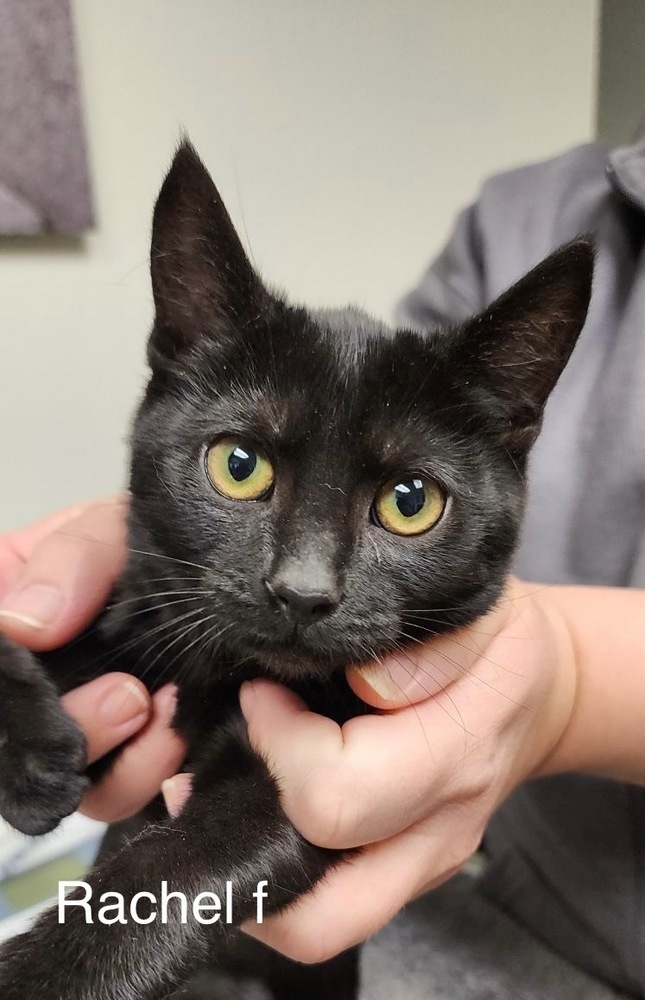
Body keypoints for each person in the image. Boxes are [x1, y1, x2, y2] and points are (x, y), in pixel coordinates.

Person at [1, 128, 644, 997]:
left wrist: (564, 684)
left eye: (405, 504)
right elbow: (365, 387)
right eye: (241, 467)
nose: (305, 581)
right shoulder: (527, 206)